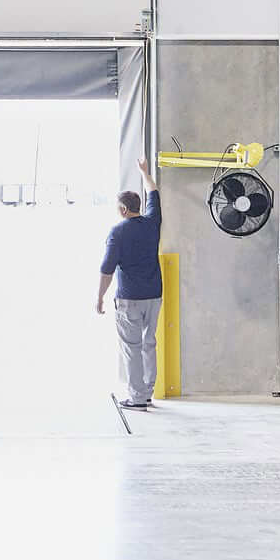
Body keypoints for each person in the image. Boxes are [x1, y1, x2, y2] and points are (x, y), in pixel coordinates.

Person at [97, 157, 162, 410]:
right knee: (149, 343)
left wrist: (100, 297)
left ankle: (137, 398)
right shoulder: (153, 223)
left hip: (130, 299)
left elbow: (107, 269)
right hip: (154, 296)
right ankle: (147, 393)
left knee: (132, 348)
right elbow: (153, 193)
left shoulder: (118, 232)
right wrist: (144, 172)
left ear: (124, 209)